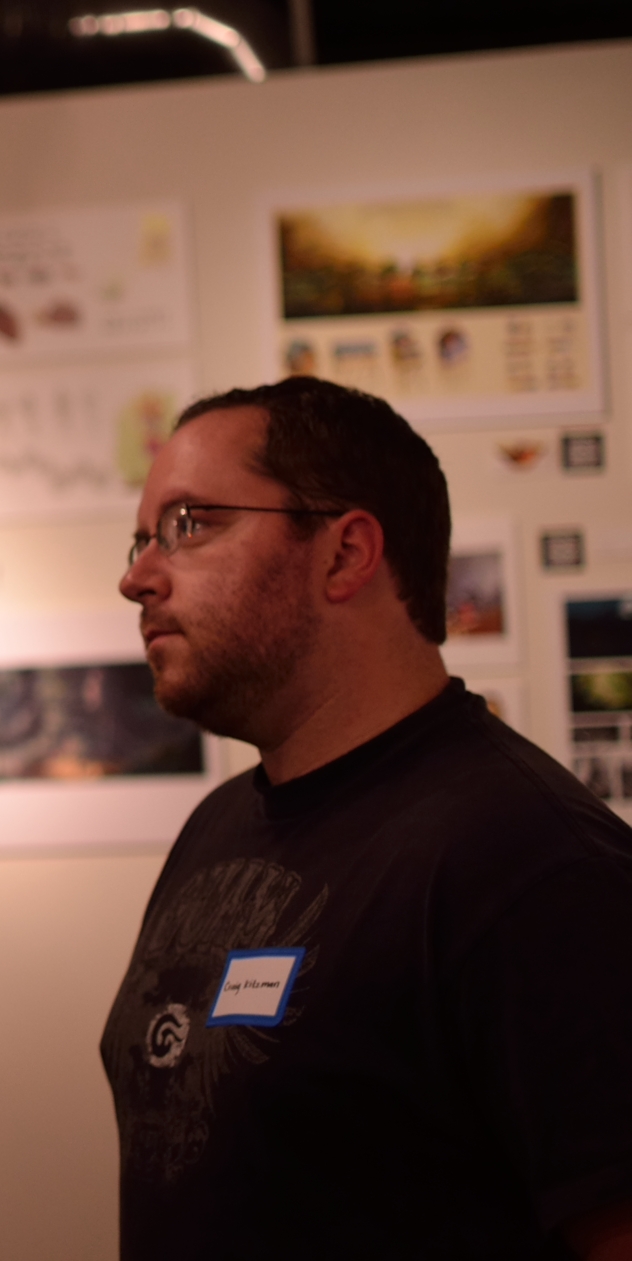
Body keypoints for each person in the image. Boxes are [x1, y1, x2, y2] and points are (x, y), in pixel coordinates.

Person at [105, 376, 632, 1260]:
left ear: (346, 553)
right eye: (141, 539)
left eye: (189, 524)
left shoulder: (535, 865)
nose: (137, 577)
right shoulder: (218, 826)